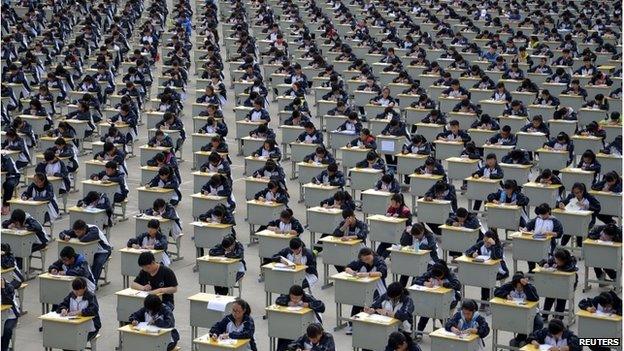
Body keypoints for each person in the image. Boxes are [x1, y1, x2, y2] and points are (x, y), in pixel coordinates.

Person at [344, 248, 388, 335]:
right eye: (364, 259)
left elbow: (382, 273)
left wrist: (367, 274)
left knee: (375, 307)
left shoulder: (379, 261)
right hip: (364, 289)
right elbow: (348, 267)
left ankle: (373, 327)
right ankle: (352, 324)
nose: (366, 261)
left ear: (371, 254)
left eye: (368, 258)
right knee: (357, 303)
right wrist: (352, 272)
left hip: (378, 290)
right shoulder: (360, 262)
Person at [494, 272, 544, 347]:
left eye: (521, 287)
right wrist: (506, 295)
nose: (520, 289)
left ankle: (528, 340)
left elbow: (535, 298)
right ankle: (519, 340)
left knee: (539, 322)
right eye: (518, 287)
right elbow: (497, 291)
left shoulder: (529, 287)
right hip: (515, 312)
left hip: (530, 312)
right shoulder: (509, 286)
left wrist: (526, 286)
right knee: (519, 323)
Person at [413, 261, 461, 338]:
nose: (438, 278)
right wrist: (424, 283)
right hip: (432, 299)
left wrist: (444, 284)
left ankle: (449, 329)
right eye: (436, 277)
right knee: (427, 311)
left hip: (449, 300)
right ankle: (419, 331)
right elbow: (416, 280)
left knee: (440, 312)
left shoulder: (450, 274)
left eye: (440, 276)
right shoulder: (431, 271)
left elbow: (458, 285)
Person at [465, 230, 510, 309]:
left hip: (499, 270)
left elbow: (496, 257)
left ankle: (485, 301)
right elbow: (468, 250)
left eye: (488, 242)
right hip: (486, 270)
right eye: (484, 241)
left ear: (493, 240)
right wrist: (472, 253)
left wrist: (493, 246)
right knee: (485, 277)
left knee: (486, 278)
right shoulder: (482, 243)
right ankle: (484, 300)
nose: (485, 243)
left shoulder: (498, 246)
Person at [59, 220, 112, 285]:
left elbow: (85, 239)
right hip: (88, 249)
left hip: (103, 250)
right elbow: (62, 233)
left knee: (98, 262)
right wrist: (64, 236)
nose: (76, 234)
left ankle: (94, 283)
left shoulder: (94, 229)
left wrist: (76, 236)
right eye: (75, 232)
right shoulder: (76, 230)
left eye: (78, 232)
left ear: (84, 230)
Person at [275, 285, 326, 350]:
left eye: (297, 298)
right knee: (284, 332)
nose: (294, 300)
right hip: (292, 322)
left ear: (301, 296)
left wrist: (308, 304)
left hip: (310, 323)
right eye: (292, 298)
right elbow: (278, 300)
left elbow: (321, 306)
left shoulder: (307, 297)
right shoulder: (288, 296)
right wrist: (287, 303)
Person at [56, 277, 101, 343]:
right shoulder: (72, 295)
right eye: (74, 290)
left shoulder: (90, 296)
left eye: (78, 291)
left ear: (84, 288)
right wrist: (63, 309)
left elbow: (94, 310)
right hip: (73, 326)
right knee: (64, 341)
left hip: (90, 327)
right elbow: (62, 304)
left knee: (77, 341)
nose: (76, 293)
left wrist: (80, 312)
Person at [521, 203, 564, 272]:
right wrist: (525, 229)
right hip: (535, 241)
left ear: (548, 212)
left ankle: (544, 269)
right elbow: (529, 226)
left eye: (544, 214)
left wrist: (551, 233)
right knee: (529, 254)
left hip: (548, 244)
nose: (542, 216)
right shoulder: (537, 218)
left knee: (545, 258)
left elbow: (559, 233)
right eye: (541, 214)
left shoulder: (554, 221)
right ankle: (531, 270)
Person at [541, 249, 578, 320]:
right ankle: (545, 315)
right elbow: (542, 261)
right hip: (555, 283)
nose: (556, 262)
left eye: (558, 261)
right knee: (549, 295)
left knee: (561, 297)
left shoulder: (571, 261)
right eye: (556, 260)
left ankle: (559, 315)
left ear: (564, 260)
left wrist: (558, 268)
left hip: (568, 284)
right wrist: (545, 264)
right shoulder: (555, 258)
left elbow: (571, 268)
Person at [1, 276, 19, 351]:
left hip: (11, 316)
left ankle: (4, 348)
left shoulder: (9, 288)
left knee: (6, 329)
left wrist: (2, 288)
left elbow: (6, 301)